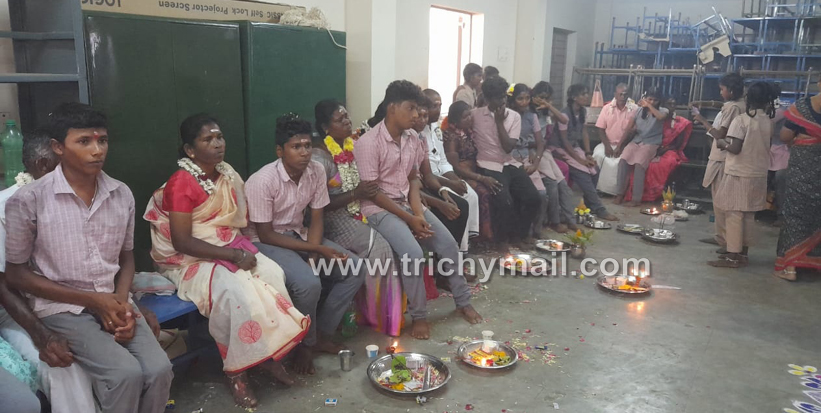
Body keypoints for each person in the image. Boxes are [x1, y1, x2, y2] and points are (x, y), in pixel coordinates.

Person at [5, 103, 173, 413]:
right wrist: (96, 301)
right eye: (84, 141)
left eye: (102, 140)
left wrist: (121, 303)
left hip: (113, 299)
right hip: (61, 307)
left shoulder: (120, 194)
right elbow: (16, 275)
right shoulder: (29, 200)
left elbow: (126, 258)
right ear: (58, 147)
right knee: (124, 374)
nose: (97, 150)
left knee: (159, 369)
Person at [145, 114, 309, 407]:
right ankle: (237, 372)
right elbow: (181, 242)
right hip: (189, 259)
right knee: (234, 295)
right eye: (207, 139)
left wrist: (237, 251)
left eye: (219, 137)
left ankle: (269, 357)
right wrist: (233, 256)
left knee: (272, 274)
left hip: (228, 244)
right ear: (190, 150)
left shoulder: (225, 173)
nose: (217, 144)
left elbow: (232, 223)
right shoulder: (181, 183)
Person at [354, 80, 482, 340]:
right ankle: (420, 316)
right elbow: (373, 193)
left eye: (417, 109)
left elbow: (413, 180)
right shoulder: (368, 143)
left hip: (408, 203)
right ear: (392, 108)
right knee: (412, 254)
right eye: (411, 108)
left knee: (448, 244)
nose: (416, 115)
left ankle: (463, 301)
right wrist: (410, 218)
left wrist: (419, 215)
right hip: (379, 208)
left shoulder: (413, 138)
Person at [248, 114, 364, 375]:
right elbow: (265, 234)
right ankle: (304, 344)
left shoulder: (316, 171)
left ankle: (321, 334)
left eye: (307, 145)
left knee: (355, 269)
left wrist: (314, 253)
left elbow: (317, 218)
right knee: (309, 284)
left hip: (299, 234)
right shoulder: (262, 180)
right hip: (266, 242)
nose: (304, 152)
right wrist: (316, 250)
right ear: (280, 151)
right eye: (296, 147)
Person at [0, 130, 97, 413]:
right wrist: (41, 335)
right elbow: (4, 286)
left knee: (121, 349)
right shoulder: (5, 207)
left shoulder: (81, 198)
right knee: (63, 368)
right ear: (43, 166)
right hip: (19, 310)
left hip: (70, 302)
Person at [312, 99, 404, 337]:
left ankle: (381, 311)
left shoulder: (352, 145)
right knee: (379, 248)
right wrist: (356, 193)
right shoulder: (319, 158)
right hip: (333, 220)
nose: (347, 122)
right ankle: (380, 316)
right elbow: (319, 205)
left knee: (393, 235)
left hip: (359, 208)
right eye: (339, 119)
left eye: (347, 116)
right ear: (325, 127)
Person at [708, 83, 777, 268]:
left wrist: (722, 144)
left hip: (739, 172)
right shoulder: (768, 121)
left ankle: (732, 256)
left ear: (748, 99)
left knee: (733, 214)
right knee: (748, 215)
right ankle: (743, 254)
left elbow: (735, 148)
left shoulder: (742, 120)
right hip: (758, 173)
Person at [471, 76, 542, 250]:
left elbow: (509, 147)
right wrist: (497, 121)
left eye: (503, 96)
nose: (502, 101)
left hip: (509, 163)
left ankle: (519, 235)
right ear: (487, 99)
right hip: (488, 164)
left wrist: (499, 122)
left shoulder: (514, 116)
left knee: (534, 197)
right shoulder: (475, 115)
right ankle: (501, 240)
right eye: (497, 97)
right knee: (504, 201)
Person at [773, 73, 821, 281]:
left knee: (795, 212)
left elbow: (785, 136)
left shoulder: (802, 107)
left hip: (802, 167)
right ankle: (814, 263)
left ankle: (790, 268)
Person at [422, 89, 481, 252]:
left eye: (440, 105)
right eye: (434, 106)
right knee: (461, 203)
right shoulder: (417, 131)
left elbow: (442, 160)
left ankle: (466, 243)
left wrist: (455, 180)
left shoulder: (435, 128)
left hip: (441, 175)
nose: (438, 110)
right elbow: (425, 173)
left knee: (471, 194)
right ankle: (459, 251)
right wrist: (450, 184)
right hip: (429, 181)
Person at [692, 73, 746, 247]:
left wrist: (702, 120)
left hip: (723, 158)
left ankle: (724, 239)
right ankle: (721, 236)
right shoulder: (739, 104)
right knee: (720, 200)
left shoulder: (733, 108)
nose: (721, 93)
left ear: (731, 90)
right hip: (725, 157)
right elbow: (721, 105)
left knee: (720, 200)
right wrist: (706, 103)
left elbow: (720, 134)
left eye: (722, 89)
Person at [552, 84, 618, 221]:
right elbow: (564, 141)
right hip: (560, 149)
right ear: (574, 97)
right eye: (583, 94)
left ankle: (590, 204)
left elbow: (584, 132)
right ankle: (599, 209)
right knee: (583, 172)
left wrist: (588, 153)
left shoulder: (582, 111)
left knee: (594, 169)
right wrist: (580, 160)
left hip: (574, 147)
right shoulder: (565, 114)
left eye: (587, 93)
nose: (586, 96)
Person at [412, 96, 470, 249]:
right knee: (445, 209)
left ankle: (455, 252)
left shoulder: (422, 137)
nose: (422, 120)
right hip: (412, 190)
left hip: (424, 184)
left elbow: (428, 174)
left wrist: (442, 190)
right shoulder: (407, 138)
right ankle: (438, 255)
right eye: (419, 116)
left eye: (425, 116)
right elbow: (410, 181)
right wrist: (438, 201)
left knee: (460, 205)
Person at [443, 101, 501, 242]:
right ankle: (479, 236)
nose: (470, 119)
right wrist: (481, 178)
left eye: (470, 115)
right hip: (460, 175)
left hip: (474, 171)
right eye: (465, 117)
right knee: (483, 192)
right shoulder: (451, 138)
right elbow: (454, 167)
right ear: (455, 121)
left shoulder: (468, 132)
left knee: (498, 188)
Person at [623, 97, 694, 202]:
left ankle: (655, 194)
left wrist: (665, 149)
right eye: (669, 104)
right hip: (654, 147)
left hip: (670, 150)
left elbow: (678, 144)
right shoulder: (656, 117)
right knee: (640, 163)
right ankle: (638, 195)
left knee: (664, 164)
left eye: (673, 105)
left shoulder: (680, 122)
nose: (671, 107)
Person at [530, 81, 577, 233]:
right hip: (533, 152)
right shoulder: (529, 113)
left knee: (562, 184)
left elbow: (564, 120)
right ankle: (554, 221)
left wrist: (548, 106)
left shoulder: (546, 113)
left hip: (544, 152)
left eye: (547, 98)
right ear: (534, 96)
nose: (542, 101)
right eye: (540, 97)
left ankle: (570, 220)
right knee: (552, 184)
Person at [614, 88, 670, 207]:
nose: (652, 102)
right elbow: (628, 129)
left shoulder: (663, 110)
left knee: (639, 164)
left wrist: (648, 105)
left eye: (655, 100)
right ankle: (619, 194)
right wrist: (619, 146)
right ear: (645, 98)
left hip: (651, 142)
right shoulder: (638, 111)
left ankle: (636, 199)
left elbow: (660, 117)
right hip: (636, 141)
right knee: (623, 160)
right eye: (650, 99)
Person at [593, 83, 639, 195]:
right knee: (598, 155)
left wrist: (621, 146)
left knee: (621, 160)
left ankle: (616, 192)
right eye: (620, 94)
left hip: (626, 144)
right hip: (607, 143)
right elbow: (600, 129)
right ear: (615, 94)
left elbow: (633, 132)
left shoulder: (635, 109)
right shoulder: (606, 108)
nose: (623, 97)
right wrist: (607, 146)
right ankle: (599, 189)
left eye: (625, 94)